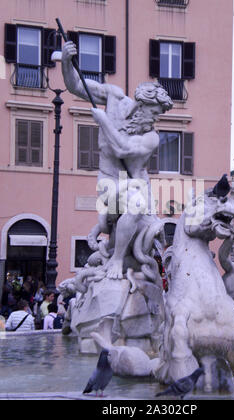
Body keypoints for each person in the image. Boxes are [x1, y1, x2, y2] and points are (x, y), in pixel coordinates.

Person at [61, 41, 173, 281]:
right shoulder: (113, 96)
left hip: (136, 183)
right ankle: (116, 258)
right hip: (109, 180)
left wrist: (103, 121)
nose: (155, 119)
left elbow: (122, 148)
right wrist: (66, 63)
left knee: (145, 225)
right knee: (132, 206)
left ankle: (120, 259)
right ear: (143, 103)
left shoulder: (151, 137)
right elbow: (76, 86)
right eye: (155, 112)